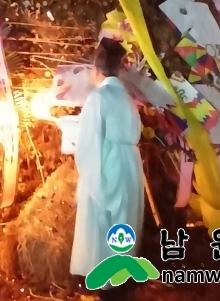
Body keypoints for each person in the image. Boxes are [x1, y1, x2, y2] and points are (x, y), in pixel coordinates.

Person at [70, 39, 144, 299]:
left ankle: (108, 287)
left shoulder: (98, 97)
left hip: (107, 164)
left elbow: (89, 144)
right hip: (130, 166)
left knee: (102, 229)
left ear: (96, 67)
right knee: (124, 227)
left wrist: (87, 184)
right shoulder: (126, 96)